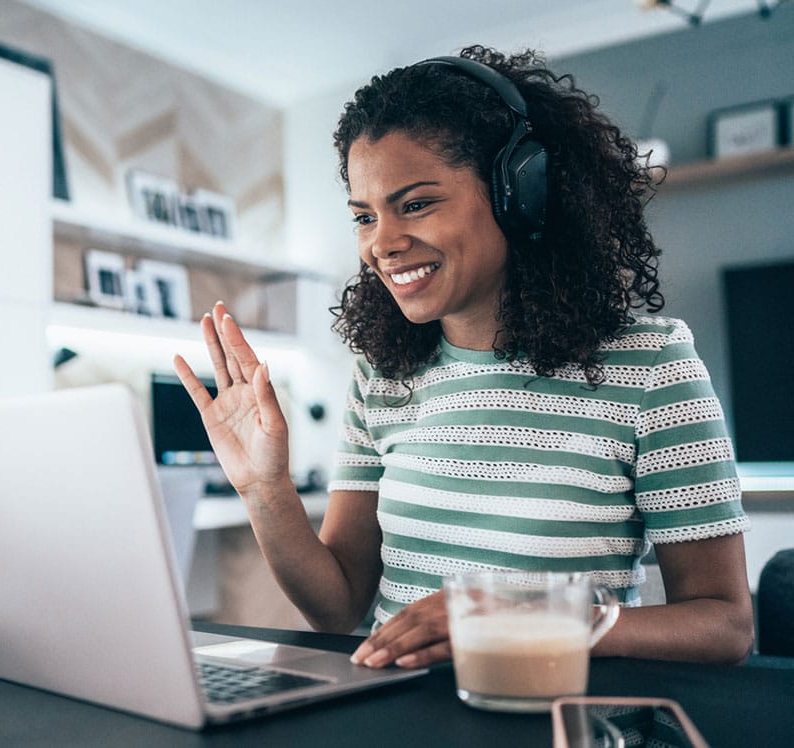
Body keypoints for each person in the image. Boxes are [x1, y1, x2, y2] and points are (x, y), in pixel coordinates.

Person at [173, 45, 754, 668]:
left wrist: (526, 622)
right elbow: (338, 607)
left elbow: (725, 625)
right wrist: (265, 490)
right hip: (395, 716)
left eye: (416, 203)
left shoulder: (651, 366)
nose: (383, 244)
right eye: (365, 217)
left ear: (519, 194)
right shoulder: (382, 378)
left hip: (549, 715)